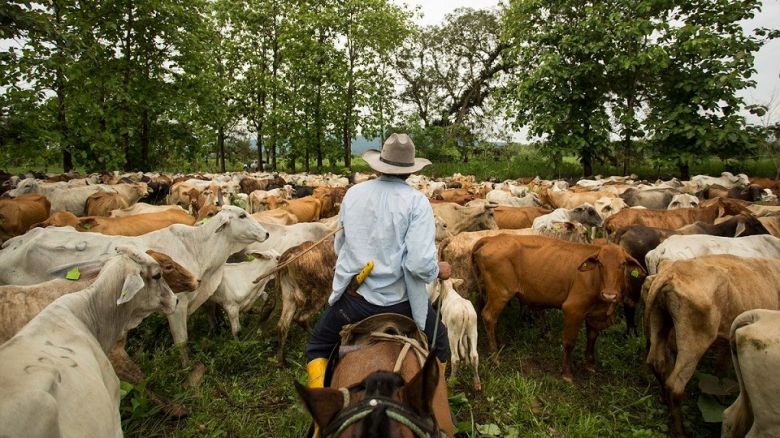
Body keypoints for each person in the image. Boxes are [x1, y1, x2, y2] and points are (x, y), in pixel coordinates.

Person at [305, 133, 451, 389]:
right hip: (403, 304)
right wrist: (436, 269)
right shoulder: (417, 202)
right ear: (410, 170)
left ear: (379, 164)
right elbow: (418, 263)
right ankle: (436, 403)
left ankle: (319, 422)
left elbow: (340, 245)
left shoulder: (354, 194)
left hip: (354, 302)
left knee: (318, 345)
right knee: (440, 342)